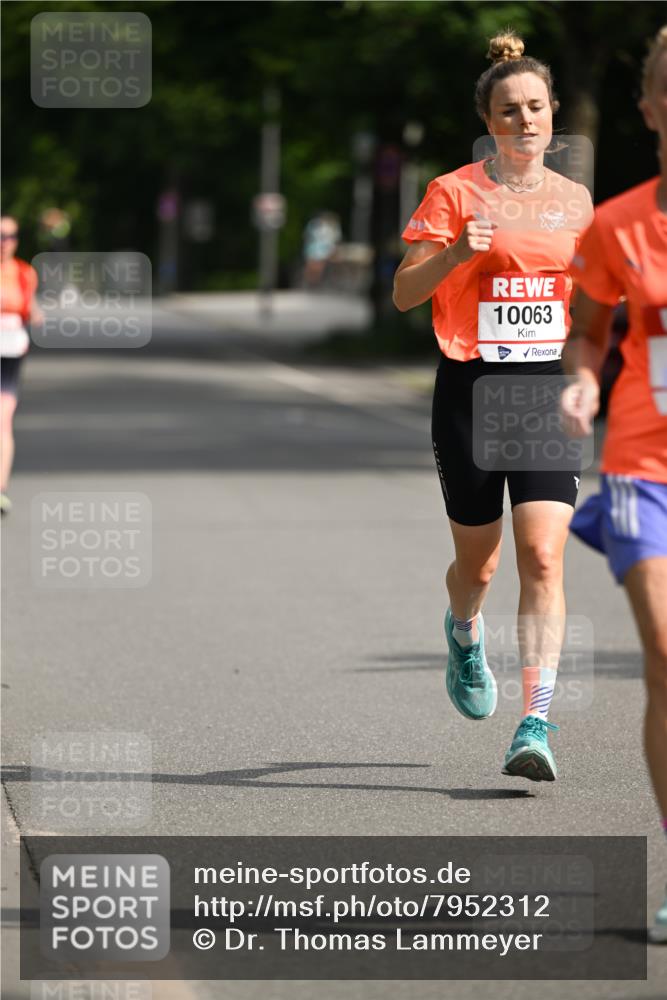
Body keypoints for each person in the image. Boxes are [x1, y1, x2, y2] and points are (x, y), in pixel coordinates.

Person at [393, 31, 593, 781]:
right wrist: (454, 253)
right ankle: (462, 629)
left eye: (536, 108)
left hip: (543, 391)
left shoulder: (572, 201)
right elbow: (405, 293)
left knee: (542, 555)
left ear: (552, 115)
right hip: (471, 391)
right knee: (476, 569)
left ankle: (533, 722)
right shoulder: (453, 193)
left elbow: (592, 300)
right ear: (488, 119)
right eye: (508, 111)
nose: (524, 121)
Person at [560, 25, 667, 943]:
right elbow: (590, 329)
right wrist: (585, 378)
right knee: (665, 653)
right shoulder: (617, 224)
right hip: (642, 460)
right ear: (650, 107)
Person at [0, 216, 41, 514]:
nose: (5, 243)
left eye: (11, 236)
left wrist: (36, 314)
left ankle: (0, 489)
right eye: (0, 236)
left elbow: (30, 308)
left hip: (10, 352)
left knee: (3, 419)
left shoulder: (25, 273)